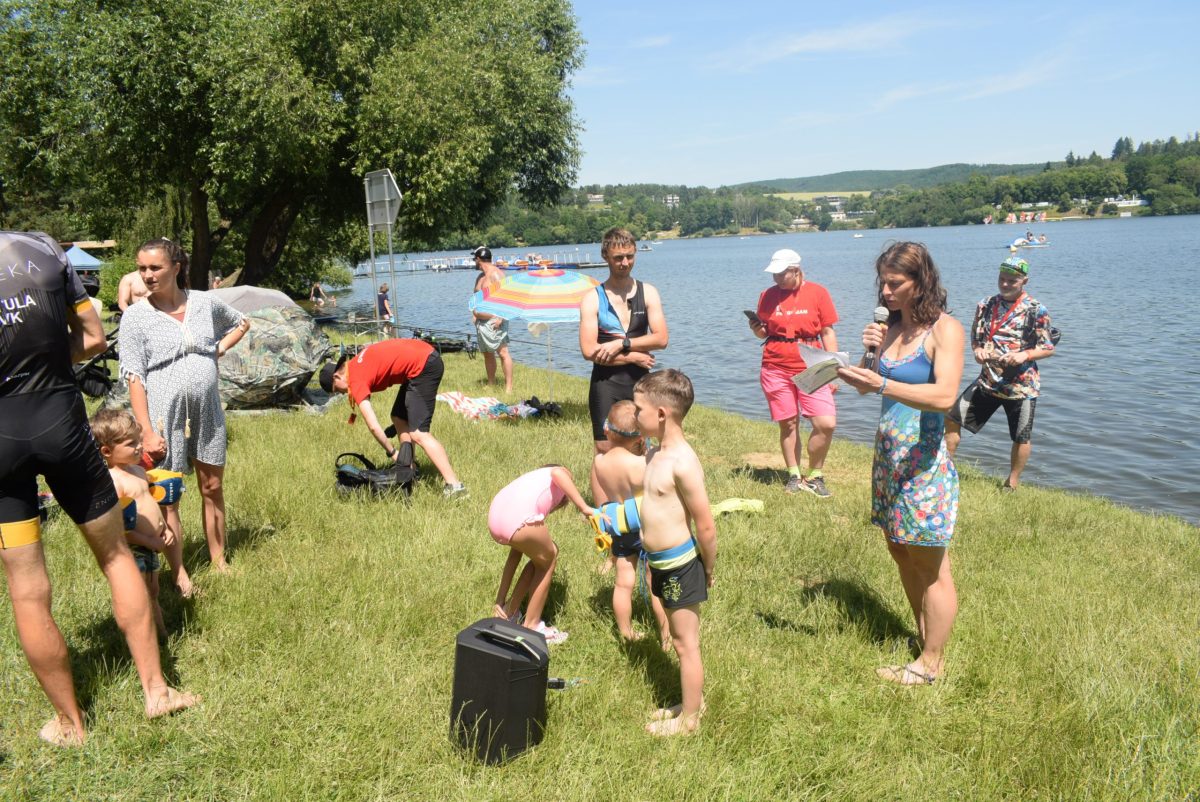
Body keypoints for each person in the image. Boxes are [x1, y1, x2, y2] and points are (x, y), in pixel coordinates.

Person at [0, 230, 196, 747]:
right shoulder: (42, 250)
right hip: (61, 426)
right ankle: (157, 692)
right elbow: (91, 338)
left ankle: (70, 723)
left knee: (27, 588)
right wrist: (44, 365)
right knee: (115, 556)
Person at [837, 242, 965, 686]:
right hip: (889, 460)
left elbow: (945, 396)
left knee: (931, 566)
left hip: (924, 462)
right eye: (883, 282)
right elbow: (866, 386)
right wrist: (862, 359)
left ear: (920, 281)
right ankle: (925, 637)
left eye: (895, 283)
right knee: (900, 550)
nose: (886, 291)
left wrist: (882, 384)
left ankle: (931, 665)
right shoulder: (888, 327)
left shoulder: (945, 330)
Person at [119, 238, 251, 596]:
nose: (147, 275)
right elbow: (134, 377)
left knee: (212, 488)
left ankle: (219, 561)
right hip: (164, 417)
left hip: (208, 412)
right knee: (168, 497)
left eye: (155, 267)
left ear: (176, 267)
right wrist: (146, 431)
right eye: (142, 268)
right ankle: (179, 575)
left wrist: (217, 350)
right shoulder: (135, 317)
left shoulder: (204, 303)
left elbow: (241, 322)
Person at [632, 369, 717, 735]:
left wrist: (707, 568)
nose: (635, 415)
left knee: (685, 644)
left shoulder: (682, 462)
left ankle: (690, 720)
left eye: (639, 410)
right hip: (660, 563)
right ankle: (691, 701)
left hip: (681, 567)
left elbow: (706, 526)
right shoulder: (655, 453)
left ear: (662, 414)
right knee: (681, 642)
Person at [945, 254, 1055, 492]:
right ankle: (944, 469)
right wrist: (977, 351)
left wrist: (1024, 355)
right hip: (987, 382)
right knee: (952, 419)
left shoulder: (1036, 310)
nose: (1005, 284)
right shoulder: (985, 305)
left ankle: (1011, 483)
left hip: (1021, 387)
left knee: (1021, 437)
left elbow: (1047, 348)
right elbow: (976, 339)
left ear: (1024, 281)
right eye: (1001, 279)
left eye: (1011, 281)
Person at [319, 338, 467, 498]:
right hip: (421, 360)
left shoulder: (355, 380)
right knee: (398, 417)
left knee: (418, 433)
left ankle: (455, 487)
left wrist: (392, 453)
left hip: (424, 366)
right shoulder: (354, 364)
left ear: (337, 377)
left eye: (337, 390)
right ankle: (409, 468)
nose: (341, 393)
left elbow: (373, 426)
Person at [747, 248, 839, 497]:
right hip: (775, 366)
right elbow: (764, 332)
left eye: (781, 273)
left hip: (813, 365)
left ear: (796, 270)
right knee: (788, 423)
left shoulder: (818, 293)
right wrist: (756, 329)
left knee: (825, 423)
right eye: (774, 273)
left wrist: (833, 370)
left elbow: (827, 332)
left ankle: (815, 475)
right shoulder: (767, 295)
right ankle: (794, 475)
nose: (776, 278)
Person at [579, 227, 668, 454]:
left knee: (642, 445)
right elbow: (589, 351)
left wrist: (622, 344)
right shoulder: (592, 298)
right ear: (605, 256)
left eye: (630, 256)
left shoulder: (648, 292)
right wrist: (634, 357)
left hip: (640, 384)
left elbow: (661, 338)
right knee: (605, 446)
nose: (625, 263)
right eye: (618, 258)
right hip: (605, 383)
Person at [591, 400, 670, 648]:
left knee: (623, 583)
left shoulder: (600, 462)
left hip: (620, 527)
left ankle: (626, 633)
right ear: (639, 437)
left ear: (607, 430)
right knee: (654, 584)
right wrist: (649, 450)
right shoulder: (640, 465)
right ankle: (667, 637)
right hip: (645, 528)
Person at [488, 465, 595, 645]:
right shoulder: (556, 473)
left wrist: (500, 599)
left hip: (495, 519)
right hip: (517, 520)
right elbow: (558, 472)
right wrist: (585, 507)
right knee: (550, 557)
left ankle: (509, 612)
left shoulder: (530, 486)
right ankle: (533, 626)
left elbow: (514, 557)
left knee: (541, 558)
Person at [91, 409, 169, 639]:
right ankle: (152, 637)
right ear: (107, 451)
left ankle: (159, 631)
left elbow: (150, 504)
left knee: (153, 591)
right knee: (140, 596)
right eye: (131, 443)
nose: (139, 446)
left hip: (151, 544)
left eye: (139, 440)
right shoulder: (114, 482)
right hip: (134, 548)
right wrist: (148, 540)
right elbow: (119, 529)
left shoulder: (139, 471)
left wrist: (164, 529)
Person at [469, 246, 514, 393]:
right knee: (487, 353)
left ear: (478, 259)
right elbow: (476, 297)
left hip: (495, 320)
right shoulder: (480, 277)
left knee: (503, 352)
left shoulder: (496, 274)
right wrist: (474, 314)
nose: (474, 262)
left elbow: (507, 297)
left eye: (474, 259)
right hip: (481, 322)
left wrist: (501, 317)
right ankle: (491, 383)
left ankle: (508, 388)